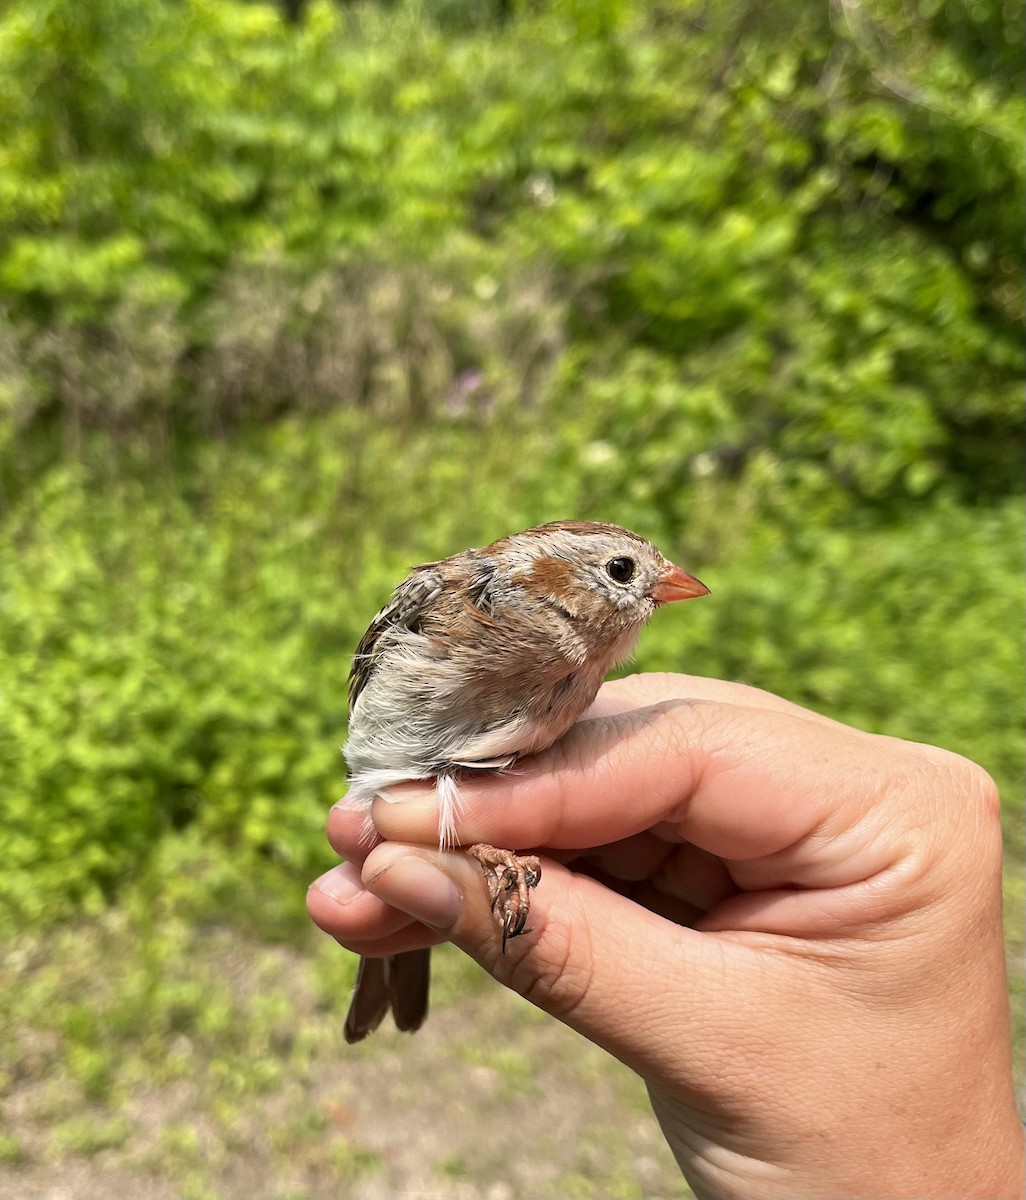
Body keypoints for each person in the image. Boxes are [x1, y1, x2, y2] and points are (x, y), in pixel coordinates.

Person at [307, 674, 1025, 1198]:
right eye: (623, 573)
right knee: (414, 864)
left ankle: (413, 941)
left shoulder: (577, 676)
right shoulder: (460, 618)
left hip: (477, 817)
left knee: (455, 856)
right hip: (409, 793)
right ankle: (401, 957)